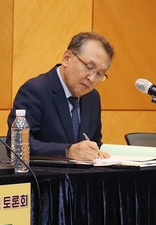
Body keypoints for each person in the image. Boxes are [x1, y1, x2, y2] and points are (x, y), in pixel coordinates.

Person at [7, 32, 113, 161]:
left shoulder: (92, 97)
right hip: (45, 173)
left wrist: (97, 152)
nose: (92, 78)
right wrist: (67, 151)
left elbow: (94, 141)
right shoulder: (35, 90)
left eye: (99, 74)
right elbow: (16, 145)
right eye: (89, 67)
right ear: (67, 58)